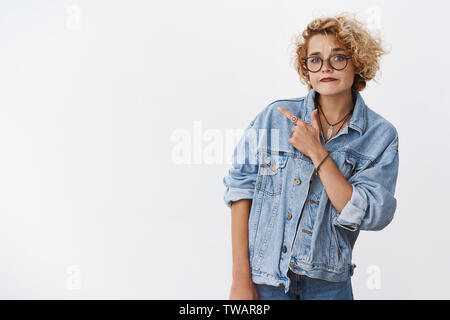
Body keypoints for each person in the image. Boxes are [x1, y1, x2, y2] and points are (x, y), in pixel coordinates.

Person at [223, 12, 399, 300]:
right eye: (315, 59)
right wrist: (240, 278)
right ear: (306, 68)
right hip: (265, 282)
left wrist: (318, 152)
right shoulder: (274, 118)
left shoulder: (380, 136)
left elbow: (369, 214)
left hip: (329, 287)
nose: (325, 67)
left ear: (358, 62)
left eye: (338, 57)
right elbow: (240, 190)